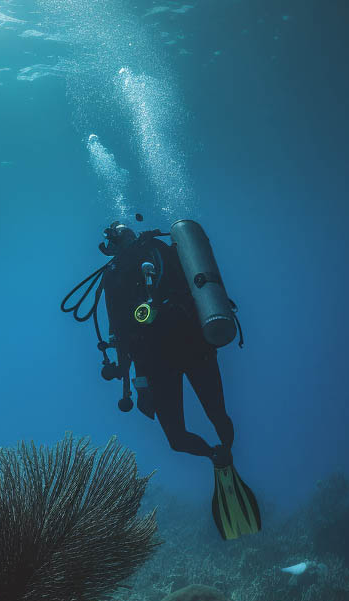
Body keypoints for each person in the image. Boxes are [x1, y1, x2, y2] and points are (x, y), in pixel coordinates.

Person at [61, 219, 260, 540]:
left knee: (216, 415)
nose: (119, 242)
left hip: (192, 347)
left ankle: (224, 451)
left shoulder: (158, 251)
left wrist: (138, 379)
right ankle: (218, 455)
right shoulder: (113, 276)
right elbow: (119, 334)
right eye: (116, 238)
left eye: (121, 236)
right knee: (178, 438)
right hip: (160, 363)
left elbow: (184, 290)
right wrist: (137, 385)